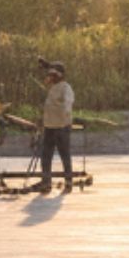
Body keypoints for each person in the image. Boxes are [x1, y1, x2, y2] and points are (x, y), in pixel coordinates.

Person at [37, 61, 75, 193]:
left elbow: (68, 105)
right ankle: (46, 182)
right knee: (46, 156)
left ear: (60, 75)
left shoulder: (65, 87)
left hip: (61, 127)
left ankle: (68, 182)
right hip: (49, 127)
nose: (50, 77)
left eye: (53, 75)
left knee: (65, 155)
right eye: (50, 75)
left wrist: (65, 119)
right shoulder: (53, 87)